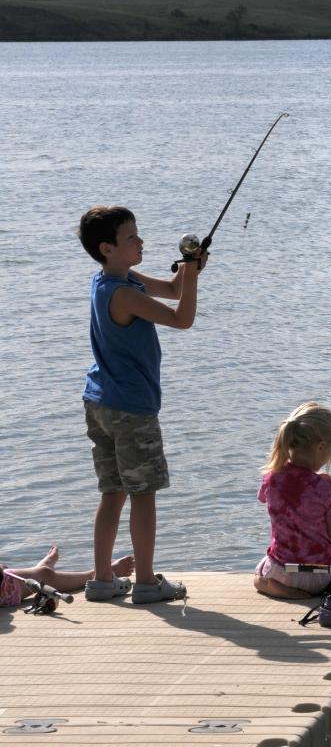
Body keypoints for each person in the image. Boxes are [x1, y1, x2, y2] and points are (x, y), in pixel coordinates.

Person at [78, 205, 208, 604]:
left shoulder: (114, 280)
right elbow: (181, 317)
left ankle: (102, 579)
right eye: (131, 238)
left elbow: (170, 290)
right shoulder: (124, 293)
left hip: (100, 401)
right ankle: (147, 583)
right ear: (107, 247)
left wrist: (189, 268)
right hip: (131, 407)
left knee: (112, 492)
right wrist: (191, 280)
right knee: (143, 494)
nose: (140, 242)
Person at [253, 401, 331, 600]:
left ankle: (283, 590)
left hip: (283, 573)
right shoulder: (326, 489)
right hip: (321, 575)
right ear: (321, 447)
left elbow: (264, 497)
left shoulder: (271, 478)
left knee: (257, 579)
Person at [0, 546, 134, 607]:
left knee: (43, 576)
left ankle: (44, 567)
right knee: (45, 576)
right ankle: (96, 573)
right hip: (6, 589)